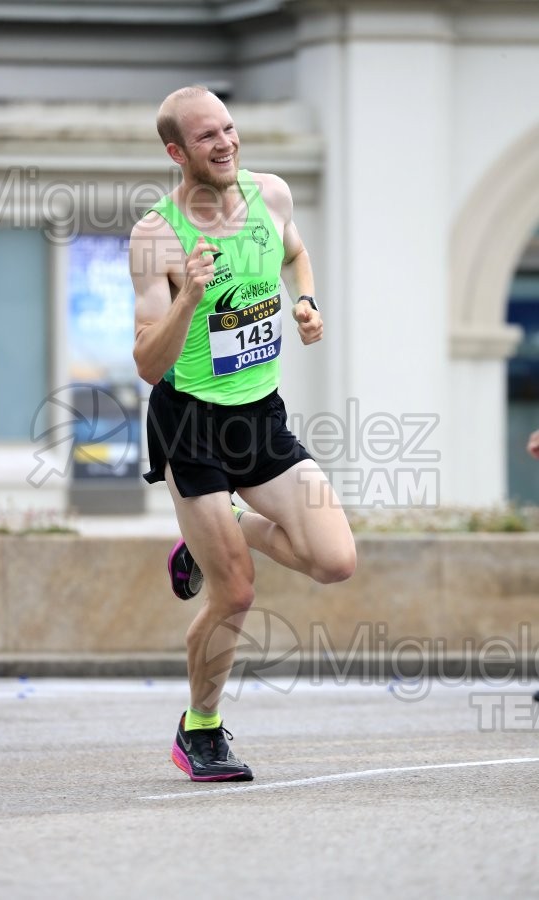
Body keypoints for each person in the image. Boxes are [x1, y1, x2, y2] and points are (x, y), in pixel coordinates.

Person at [130, 85, 356, 782]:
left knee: (335, 559)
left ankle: (223, 520)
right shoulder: (155, 238)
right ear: (177, 151)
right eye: (207, 137)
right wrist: (190, 298)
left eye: (228, 129)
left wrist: (308, 301)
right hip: (191, 425)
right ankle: (200, 729)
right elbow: (146, 362)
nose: (225, 143)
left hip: (261, 418)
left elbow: (296, 255)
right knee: (236, 593)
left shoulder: (272, 195)